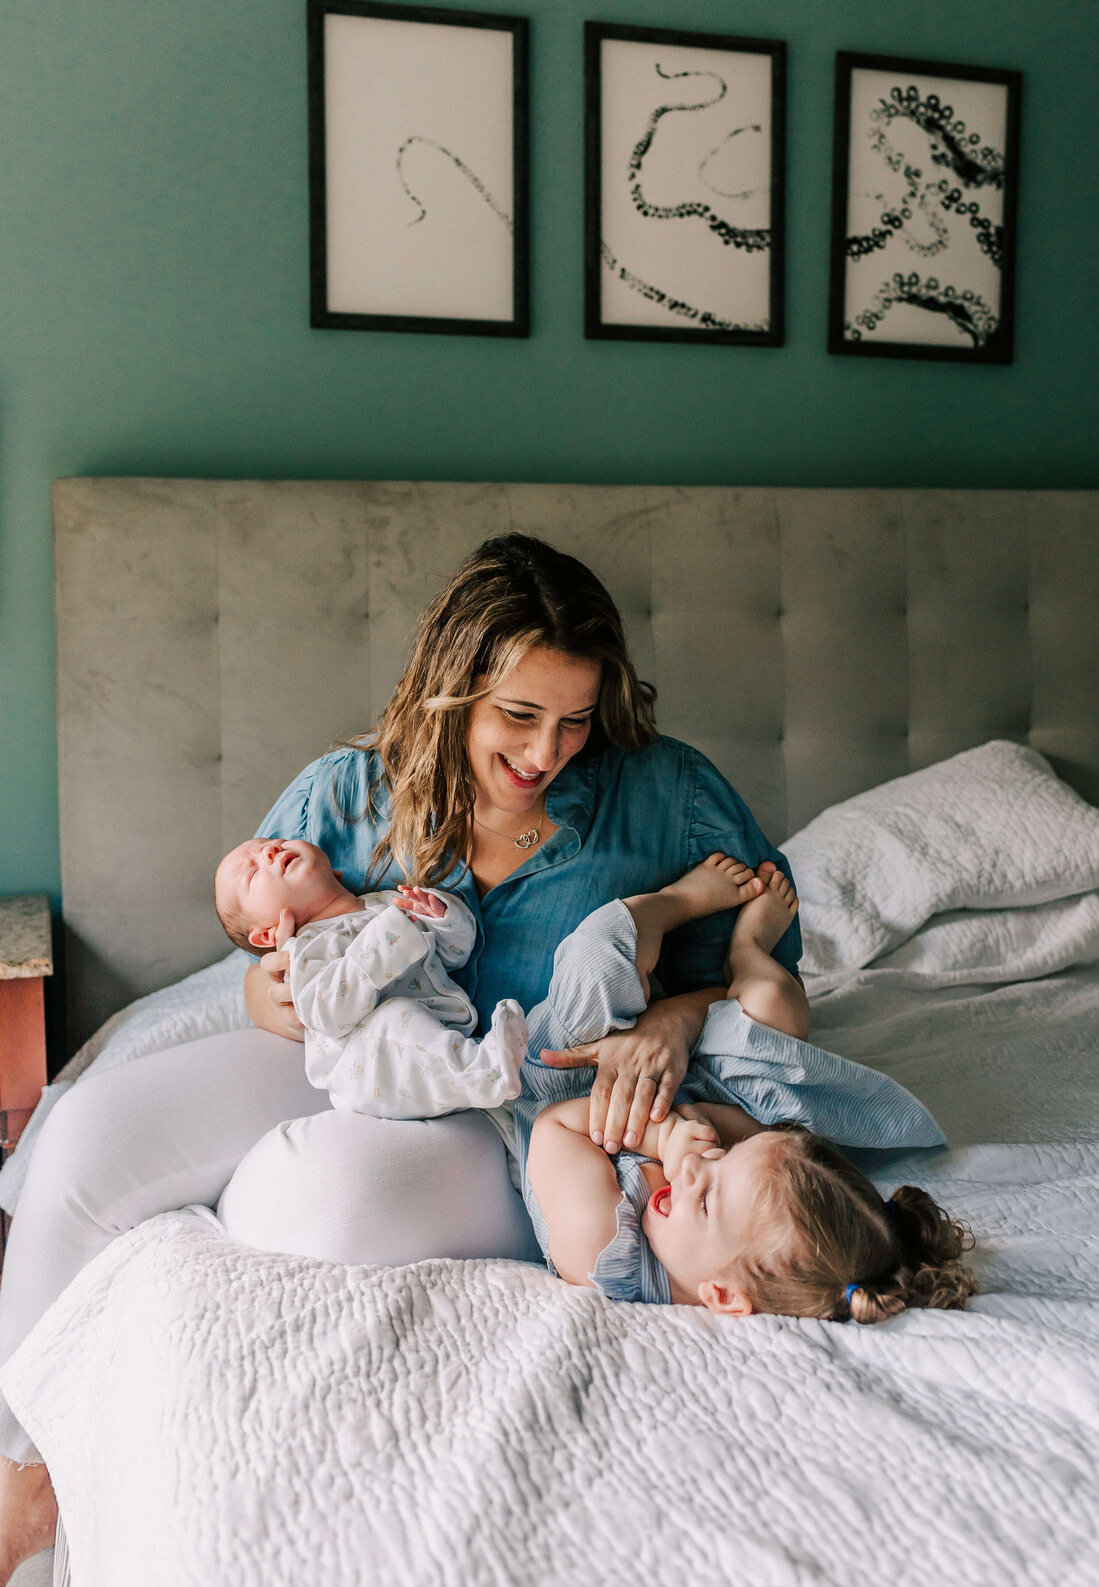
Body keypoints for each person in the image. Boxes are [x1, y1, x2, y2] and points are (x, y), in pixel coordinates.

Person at [0, 531, 805, 1580]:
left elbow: (759, 976)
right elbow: (254, 944)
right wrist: (261, 988)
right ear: (449, 687)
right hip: (356, 1048)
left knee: (319, 1208)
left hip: (519, 1091)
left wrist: (674, 1017)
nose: (545, 753)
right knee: (84, 1138)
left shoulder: (667, 795)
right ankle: (22, 1486)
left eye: (574, 720)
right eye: (517, 716)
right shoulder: (344, 794)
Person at [519, 854, 965, 1315]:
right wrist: (700, 1131)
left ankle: (673, 902)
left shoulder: (603, 1247)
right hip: (690, 1084)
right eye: (722, 1161)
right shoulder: (709, 1207)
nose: (694, 1168)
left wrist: (661, 1136)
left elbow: (555, 1127)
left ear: (723, 1296)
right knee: (773, 1002)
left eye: (709, 1199)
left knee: (598, 958)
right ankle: (746, 952)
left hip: (569, 1074)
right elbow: (731, 1129)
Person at [214, 838, 526, 1116]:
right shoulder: (304, 951)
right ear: (267, 934)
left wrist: (443, 917)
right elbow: (327, 1014)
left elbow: (455, 955)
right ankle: (485, 1071)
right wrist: (389, 935)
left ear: (334, 873)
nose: (270, 850)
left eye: (277, 841)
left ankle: (486, 1075)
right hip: (368, 1072)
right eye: (253, 873)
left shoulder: (386, 903)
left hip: (445, 1037)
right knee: (393, 1018)